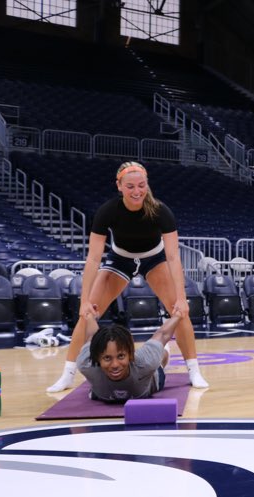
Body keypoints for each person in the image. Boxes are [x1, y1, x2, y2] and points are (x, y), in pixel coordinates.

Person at [47, 161, 208, 392]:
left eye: (141, 185)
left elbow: (173, 258)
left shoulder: (161, 211)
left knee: (179, 311)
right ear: (119, 186)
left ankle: (194, 370)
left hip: (154, 258)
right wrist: (83, 302)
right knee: (88, 313)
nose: (137, 191)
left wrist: (182, 298)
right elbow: (93, 258)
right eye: (130, 186)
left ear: (147, 184)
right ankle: (67, 375)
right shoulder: (107, 211)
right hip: (120, 259)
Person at [78, 308, 181, 402]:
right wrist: (90, 316)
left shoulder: (146, 362)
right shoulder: (86, 364)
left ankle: (164, 350)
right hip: (100, 394)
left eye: (121, 356)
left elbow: (162, 335)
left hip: (151, 384)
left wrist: (179, 314)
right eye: (107, 358)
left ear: (131, 355)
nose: (115, 365)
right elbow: (92, 336)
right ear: (97, 358)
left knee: (161, 355)